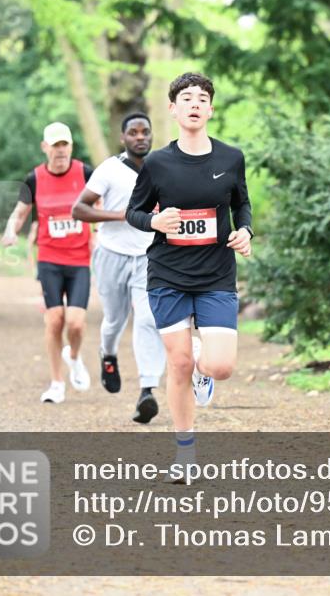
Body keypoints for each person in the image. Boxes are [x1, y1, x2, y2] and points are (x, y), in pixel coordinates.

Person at [126, 73, 253, 475]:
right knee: (177, 363)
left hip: (215, 274)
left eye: (202, 98)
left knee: (221, 367)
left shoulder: (231, 158)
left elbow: (242, 205)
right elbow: (135, 212)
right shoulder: (158, 163)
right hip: (168, 274)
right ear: (173, 108)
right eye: (186, 98)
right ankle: (185, 455)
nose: (195, 103)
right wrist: (155, 222)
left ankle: (204, 362)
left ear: (211, 109)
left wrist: (245, 231)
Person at [72, 113, 165, 424]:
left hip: (148, 257)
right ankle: (107, 354)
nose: (140, 137)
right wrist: (122, 215)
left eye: (145, 132)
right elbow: (79, 209)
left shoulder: (162, 167)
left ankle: (147, 390)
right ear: (123, 138)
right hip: (112, 254)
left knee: (148, 318)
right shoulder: (109, 170)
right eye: (133, 133)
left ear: (152, 136)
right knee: (115, 319)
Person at [2, 122, 95, 403]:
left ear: (71, 147)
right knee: (54, 320)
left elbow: (100, 204)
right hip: (50, 259)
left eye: (64, 144)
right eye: (55, 145)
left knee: (76, 323)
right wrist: (10, 231)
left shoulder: (85, 173)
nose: (60, 151)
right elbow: (20, 213)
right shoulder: (34, 179)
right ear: (45, 148)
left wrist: (100, 233)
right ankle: (56, 383)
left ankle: (74, 357)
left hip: (79, 259)